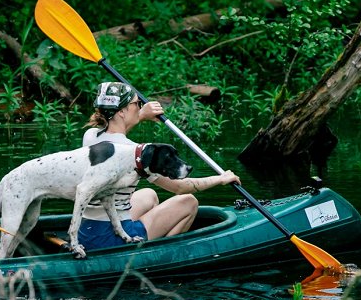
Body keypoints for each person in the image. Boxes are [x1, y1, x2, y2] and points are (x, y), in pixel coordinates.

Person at [77, 81, 240, 252]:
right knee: (189, 201)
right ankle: (162, 251)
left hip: (87, 233)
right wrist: (220, 179)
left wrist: (140, 115)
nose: (140, 107)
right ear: (122, 111)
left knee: (149, 195)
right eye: (136, 104)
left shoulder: (90, 136)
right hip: (112, 239)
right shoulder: (136, 153)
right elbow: (180, 187)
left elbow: (116, 134)